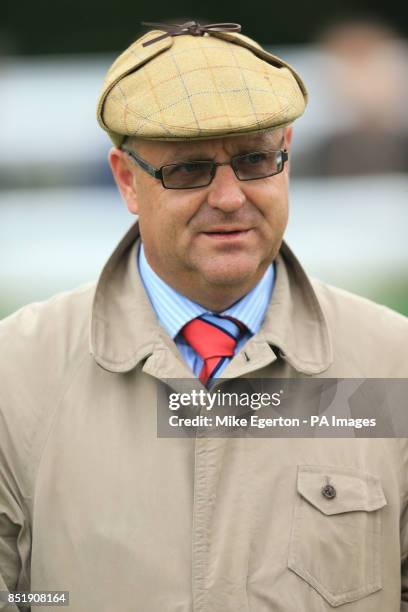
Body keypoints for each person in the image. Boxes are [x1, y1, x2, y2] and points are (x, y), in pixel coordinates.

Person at [0, 20, 408, 612]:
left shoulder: (393, 365)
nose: (228, 197)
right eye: (188, 169)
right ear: (126, 180)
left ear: (287, 156)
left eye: (254, 160)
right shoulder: (17, 371)